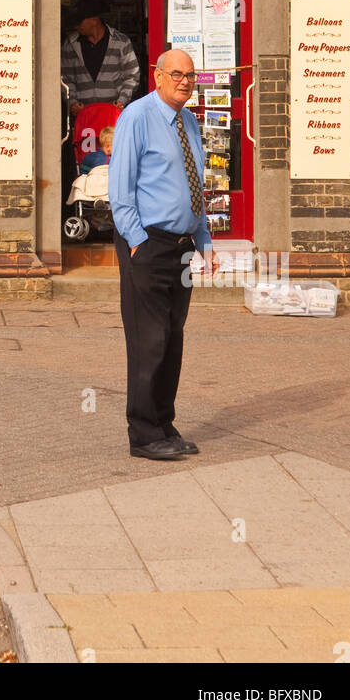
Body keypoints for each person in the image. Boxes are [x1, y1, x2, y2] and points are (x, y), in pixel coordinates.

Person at [108, 50, 214, 461]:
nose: (184, 81)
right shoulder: (137, 116)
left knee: (172, 338)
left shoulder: (189, 121)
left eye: (190, 75)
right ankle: (144, 433)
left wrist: (203, 240)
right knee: (148, 339)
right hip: (148, 243)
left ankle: (164, 423)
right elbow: (121, 187)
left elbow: (195, 187)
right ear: (157, 76)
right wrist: (136, 241)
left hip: (182, 248)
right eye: (176, 74)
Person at [61, 0, 140, 122]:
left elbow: (132, 76)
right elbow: (66, 78)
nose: (76, 26)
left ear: (94, 20)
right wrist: (72, 102)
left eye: (79, 22)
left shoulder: (121, 42)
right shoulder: (70, 44)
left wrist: (121, 101)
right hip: (84, 117)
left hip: (114, 115)